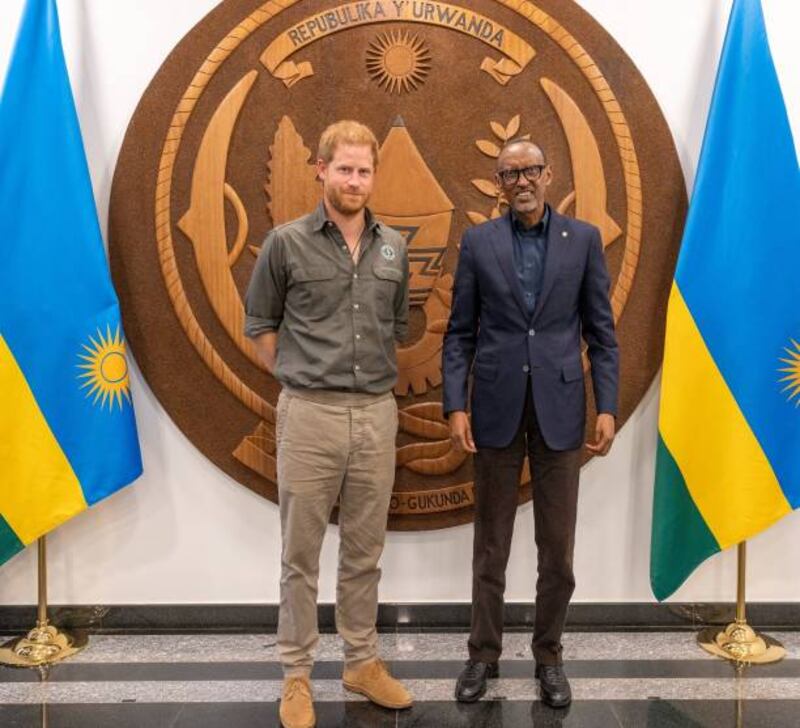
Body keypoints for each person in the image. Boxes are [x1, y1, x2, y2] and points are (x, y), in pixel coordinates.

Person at [244, 120, 412, 728]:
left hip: (375, 414)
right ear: (320, 169)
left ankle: (361, 662)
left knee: (365, 551)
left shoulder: (393, 246)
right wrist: (297, 372)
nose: (354, 180)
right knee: (300, 553)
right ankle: (296, 676)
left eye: (364, 171)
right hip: (309, 415)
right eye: (343, 169)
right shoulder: (285, 244)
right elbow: (260, 323)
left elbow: (396, 324)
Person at [442, 139, 619, 708]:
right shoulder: (478, 243)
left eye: (530, 170)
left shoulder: (584, 241)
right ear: (499, 182)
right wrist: (455, 405)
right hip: (493, 408)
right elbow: (460, 334)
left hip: (562, 412)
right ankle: (482, 654)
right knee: (490, 545)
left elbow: (602, 334)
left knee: (557, 548)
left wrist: (607, 406)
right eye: (509, 173)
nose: (521, 180)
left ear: (549, 175)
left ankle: (549, 656)